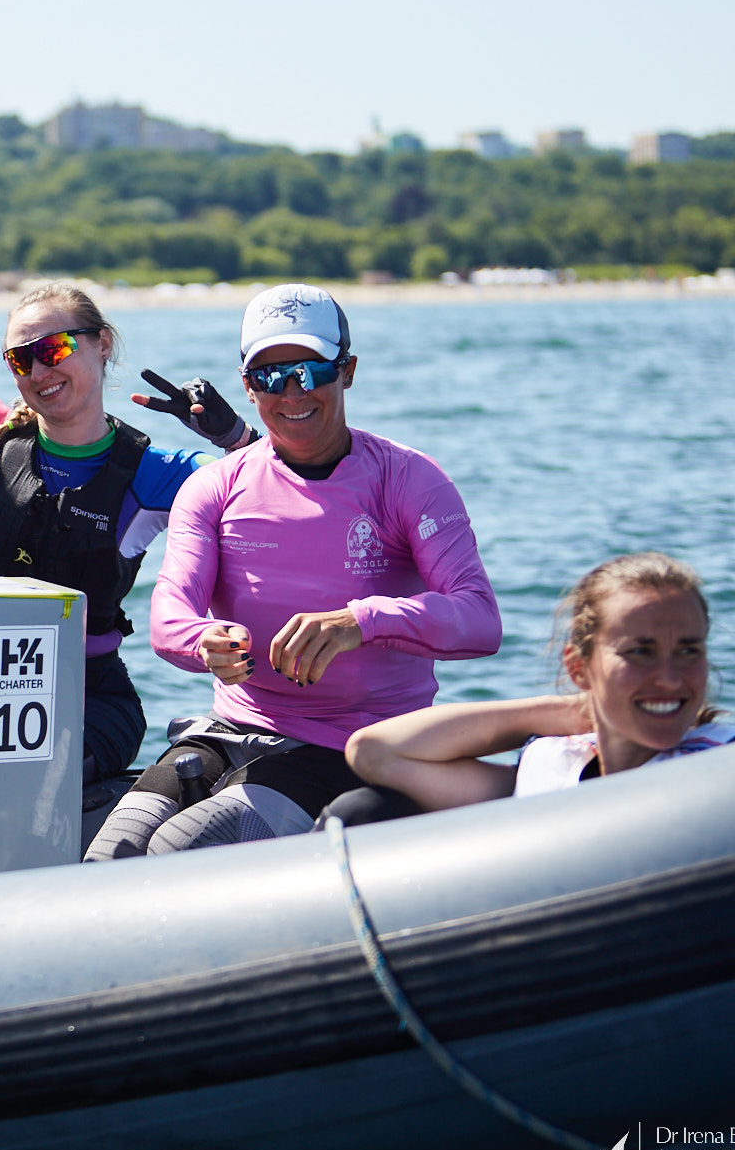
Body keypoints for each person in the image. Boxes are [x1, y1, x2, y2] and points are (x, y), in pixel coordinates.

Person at [89, 283, 501, 858]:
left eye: (309, 372)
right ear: (246, 385)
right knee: (112, 853)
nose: (290, 394)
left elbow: (479, 620)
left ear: (347, 371)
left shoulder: (410, 479)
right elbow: (168, 620)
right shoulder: (214, 487)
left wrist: (362, 622)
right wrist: (204, 641)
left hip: (353, 746)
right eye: (269, 377)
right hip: (229, 731)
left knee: (179, 849)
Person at [0, 284, 257, 825]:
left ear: (102, 344)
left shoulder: (157, 475)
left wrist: (237, 438)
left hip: (87, 699)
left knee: (11, 780)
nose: (40, 370)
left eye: (55, 348)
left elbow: (275, 492)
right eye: (21, 359)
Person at [336, 553, 735, 816]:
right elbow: (375, 752)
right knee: (359, 811)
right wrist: (586, 708)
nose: (670, 677)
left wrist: (619, 701)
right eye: (640, 652)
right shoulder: (553, 769)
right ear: (578, 668)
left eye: (688, 650)